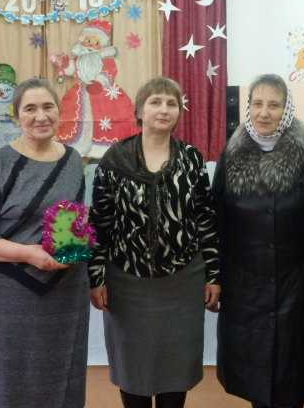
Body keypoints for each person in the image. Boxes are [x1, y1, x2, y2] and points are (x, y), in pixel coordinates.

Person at [88, 76, 220, 408]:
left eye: (171, 103)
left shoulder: (191, 158)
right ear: (139, 110)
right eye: (155, 102)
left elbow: (205, 218)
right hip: (126, 283)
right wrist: (96, 277)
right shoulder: (114, 159)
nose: (164, 109)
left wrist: (214, 274)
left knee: (176, 369)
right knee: (133, 368)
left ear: (179, 111)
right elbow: (100, 222)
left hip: (183, 282)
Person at [0, 78, 89, 408]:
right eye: (30, 108)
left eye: (48, 107)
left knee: (64, 383)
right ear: (17, 116)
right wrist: (28, 254)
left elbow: (71, 222)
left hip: (66, 294)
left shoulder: (73, 160)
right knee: (11, 387)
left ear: (59, 112)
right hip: (10, 296)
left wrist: (73, 248)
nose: (40, 116)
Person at [213, 74, 304, 408]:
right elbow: (217, 219)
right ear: (248, 107)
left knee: (291, 380)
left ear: (286, 109)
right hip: (245, 288)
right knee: (256, 380)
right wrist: (215, 275)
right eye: (257, 104)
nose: (264, 112)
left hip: (296, 286)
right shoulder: (232, 154)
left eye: (274, 105)